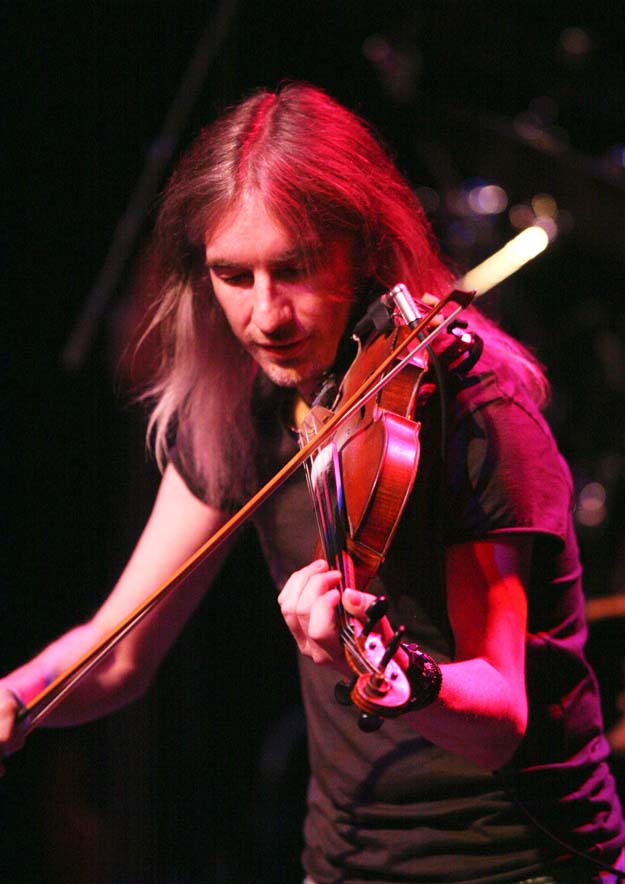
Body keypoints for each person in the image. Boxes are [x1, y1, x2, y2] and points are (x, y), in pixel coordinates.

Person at [1, 82, 624, 884]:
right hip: (345, 861)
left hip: (521, 862)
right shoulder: (244, 411)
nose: (266, 316)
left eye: (291, 270)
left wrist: (387, 671)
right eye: (233, 276)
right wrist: (16, 698)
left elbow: (497, 719)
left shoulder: (469, 406)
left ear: (360, 247)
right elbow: (120, 654)